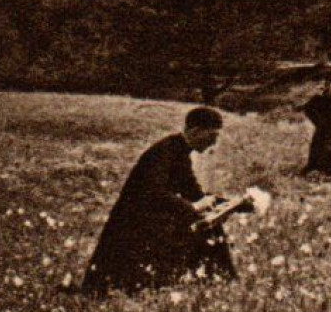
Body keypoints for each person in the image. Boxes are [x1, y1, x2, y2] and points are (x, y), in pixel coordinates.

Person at [81, 106, 238, 293]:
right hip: (136, 223)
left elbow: (192, 190)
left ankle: (218, 279)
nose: (213, 144)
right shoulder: (163, 153)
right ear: (196, 132)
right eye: (212, 137)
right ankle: (210, 278)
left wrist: (234, 204)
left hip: (153, 215)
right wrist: (194, 207)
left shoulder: (178, 151)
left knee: (210, 225)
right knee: (199, 225)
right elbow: (154, 193)